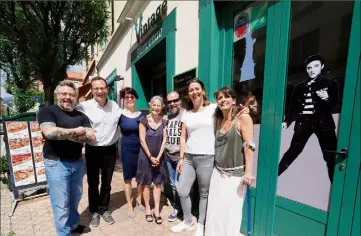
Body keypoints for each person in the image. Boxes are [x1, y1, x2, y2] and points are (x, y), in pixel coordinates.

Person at [38, 81, 96, 236]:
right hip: (56, 163)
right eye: (64, 94)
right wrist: (77, 131)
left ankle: (73, 225)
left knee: (75, 199)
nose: (67, 97)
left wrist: (63, 134)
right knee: (61, 203)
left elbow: (91, 136)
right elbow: (49, 133)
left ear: (76, 97)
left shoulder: (81, 115)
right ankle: (63, 233)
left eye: (71, 95)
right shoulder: (47, 111)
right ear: (58, 95)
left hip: (77, 163)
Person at [278, 54, 339, 182]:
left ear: (322, 66)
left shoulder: (331, 83)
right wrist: (287, 121)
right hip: (303, 123)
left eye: (316, 66)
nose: (312, 70)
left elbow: (337, 104)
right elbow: (293, 107)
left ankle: (335, 183)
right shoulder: (299, 87)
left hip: (323, 124)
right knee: (293, 151)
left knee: (330, 155)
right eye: (309, 67)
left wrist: (327, 98)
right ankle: (274, 176)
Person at [205, 86, 256, 236]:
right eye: (220, 98)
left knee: (230, 215)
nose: (223, 100)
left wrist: (248, 173)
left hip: (235, 177)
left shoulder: (243, 118)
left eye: (226, 97)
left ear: (234, 100)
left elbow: (249, 147)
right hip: (218, 173)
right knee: (215, 211)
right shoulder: (218, 120)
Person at [171, 79, 217, 236]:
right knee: (182, 190)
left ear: (203, 91)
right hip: (189, 157)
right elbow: (183, 137)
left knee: (204, 193)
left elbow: (228, 121)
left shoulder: (214, 108)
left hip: (207, 157)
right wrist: (182, 158)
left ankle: (201, 224)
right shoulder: (187, 113)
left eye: (197, 89)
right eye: (191, 90)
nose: (194, 92)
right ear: (188, 95)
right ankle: (188, 221)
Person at [75, 77, 122, 226]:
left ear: (107, 89)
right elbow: (70, 114)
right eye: (96, 88)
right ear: (92, 90)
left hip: (110, 150)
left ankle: (104, 209)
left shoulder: (115, 106)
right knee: (93, 182)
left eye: (102, 88)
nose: (100, 91)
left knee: (107, 182)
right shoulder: (83, 107)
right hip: (92, 149)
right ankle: (94, 211)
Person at [136, 96, 168, 224]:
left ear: (162, 107)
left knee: (158, 184)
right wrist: (150, 157)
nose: (156, 107)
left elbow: (165, 140)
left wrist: (159, 157)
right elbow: (142, 140)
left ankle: (157, 211)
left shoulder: (164, 121)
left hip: (159, 158)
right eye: (154, 105)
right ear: (150, 106)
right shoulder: (144, 120)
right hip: (145, 157)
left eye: (158, 105)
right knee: (146, 184)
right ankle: (148, 209)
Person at [118, 87, 146, 217]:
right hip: (127, 149)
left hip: (141, 149)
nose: (129, 99)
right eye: (127, 97)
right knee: (128, 178)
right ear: (123, 100)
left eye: (132, 96)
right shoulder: (120, 115)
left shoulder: (142, 115)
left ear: (136, 98)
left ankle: (139, 199)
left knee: (140, 177)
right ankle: (130, 204)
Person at [165, 91, 184, 222]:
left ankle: (184, 209)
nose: (172, 103)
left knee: (180, 185)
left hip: (181, 157)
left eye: (174, 100)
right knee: (173, 184)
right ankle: (177, 208)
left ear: (180, 100)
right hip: (169, 156)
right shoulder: (167, 118)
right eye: (169, 101)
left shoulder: (187, 115)